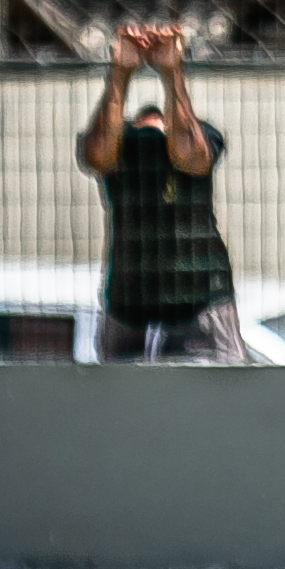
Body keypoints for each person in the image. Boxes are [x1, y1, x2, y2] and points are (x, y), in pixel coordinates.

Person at [79, 24, 247, 363]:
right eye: (145, 132)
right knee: (123, 405)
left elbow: (191, 155)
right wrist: (120, 72)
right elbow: (96, 154)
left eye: (163, 130)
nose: (153, 141)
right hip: (129, 303)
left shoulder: (202, 137)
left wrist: (172, 72)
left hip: (200, 300)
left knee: (220, 400)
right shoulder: (117, 149)